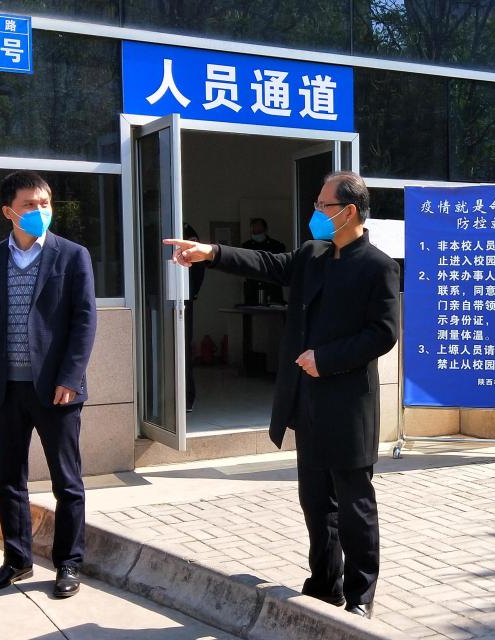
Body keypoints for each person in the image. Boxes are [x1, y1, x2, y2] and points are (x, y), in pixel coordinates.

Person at [164, 171, 398, 619]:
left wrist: (326, 359)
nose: (316, 213)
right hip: (308, 402)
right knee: (316, 502)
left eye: (323, 205)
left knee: (354, 506)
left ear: (348, 212)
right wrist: (211, 252)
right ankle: (324, 584)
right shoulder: (313, 255)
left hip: (349, 406)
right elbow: (267, 264)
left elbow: (382, 334)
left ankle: (360, 595)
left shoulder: (378, 267)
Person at [0, 171, 97, 599]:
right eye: (29, 205)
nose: (40, 211)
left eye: (45, 203)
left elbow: (84, 322)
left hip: (56, 390)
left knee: (66, 481)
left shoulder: (71, 255)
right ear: (9, 212)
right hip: (5, 388)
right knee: (8, 479)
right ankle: (17, 560)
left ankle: (69, 563)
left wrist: (70, 378)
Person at [183, 222, 206, 411]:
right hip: (157, 301)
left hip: (183, 297)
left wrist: (192, 292)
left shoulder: (184, 229)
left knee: (184, 348)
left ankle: (187, 397)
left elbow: (198, 267)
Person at [241, 218, 286, 305]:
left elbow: (280, 265)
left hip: (272, 286)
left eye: (259, 228)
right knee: (250, 307)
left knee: (275, 308)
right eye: (254, 228)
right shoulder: (246, 246)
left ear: (265, 229)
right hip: (253, 286)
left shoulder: (276, 245)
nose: (256, 230)